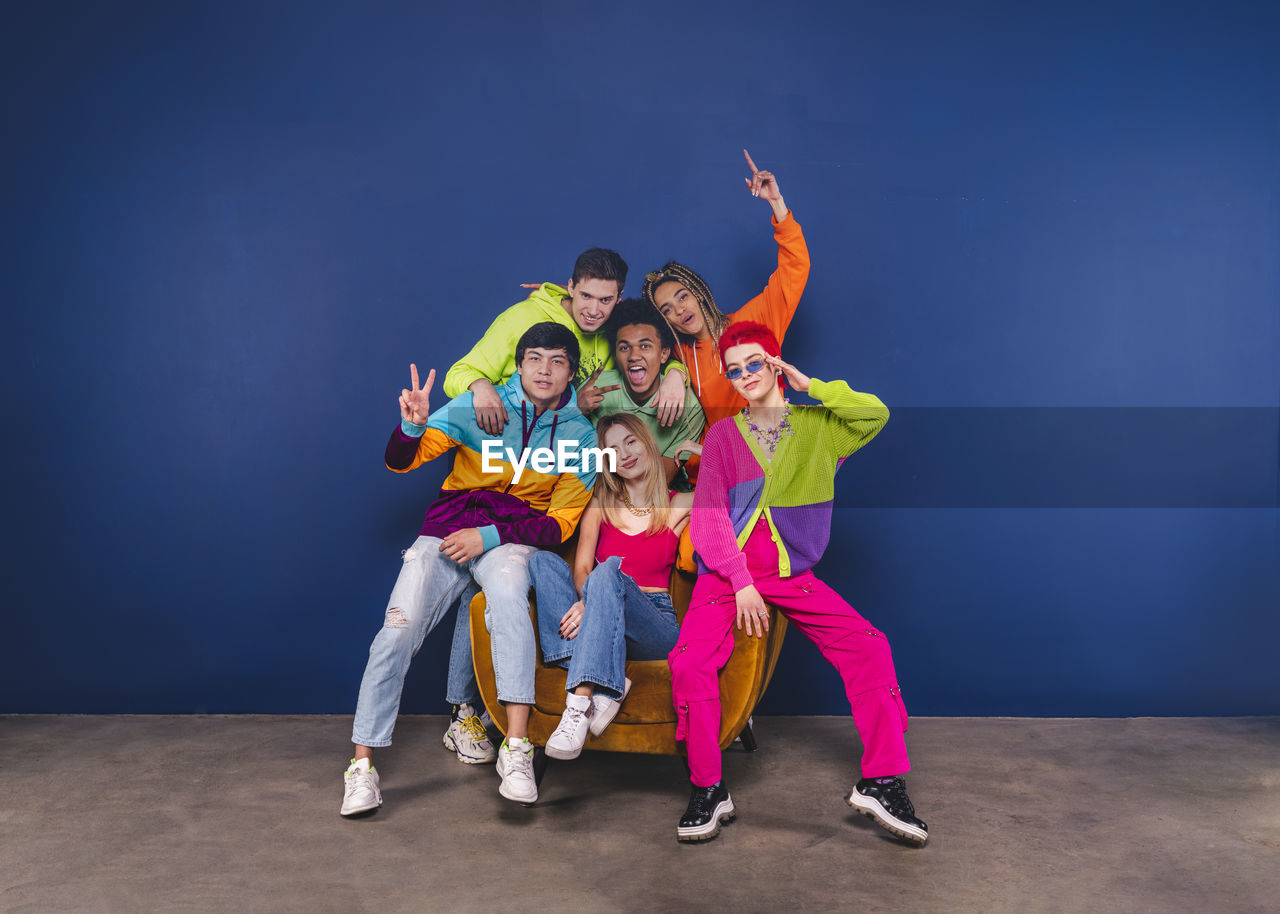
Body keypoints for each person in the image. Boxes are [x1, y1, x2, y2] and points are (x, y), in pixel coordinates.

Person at [668, 321, 928, 846]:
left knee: (870, 648)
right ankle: (709, 788)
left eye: (754, 364)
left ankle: (882, 779)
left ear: (775, 364)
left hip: (791, 574)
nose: (744, 375)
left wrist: (815, 388)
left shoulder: (818, 429)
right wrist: (740, 580)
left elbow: (875, 414)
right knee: (690, 661)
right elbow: (710, 520)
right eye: (734, 369)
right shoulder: (722, 436)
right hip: (726, 574)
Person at [341, 322, 598, 816]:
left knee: (505, 596)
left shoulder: (580, 435)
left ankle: (516, 751)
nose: (545, 370)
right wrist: (412, 426)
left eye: (558, 361)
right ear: (519, 365)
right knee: (396, 630)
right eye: (535, 358)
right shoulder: (480, 407)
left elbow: (560, 526)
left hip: (510, 540)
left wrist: (492, 536)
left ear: (571, 373)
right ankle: (362, 769)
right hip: (447, 532)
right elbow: (401, 462)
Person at [527, 414, 694, 760]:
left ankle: (579, 705)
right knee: (543, 562)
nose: (625, 454)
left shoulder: (678, 504)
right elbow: (583, 567)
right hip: (602, 622)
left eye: (631, 442)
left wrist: (703, 453)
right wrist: (594, 603)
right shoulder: (601, 504)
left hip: (653, 624)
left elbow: (746, 489)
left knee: (609, 572)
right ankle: (608, 675)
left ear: (647, 443)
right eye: (613, 450)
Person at [641, 150, 810, 428]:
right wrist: (674, 372)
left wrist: (777, 203)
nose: (679, 310)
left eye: (682, 296)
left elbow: (796, 268)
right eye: (667, 309)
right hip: (727, 463)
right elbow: (618, 321)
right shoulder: (678, 354)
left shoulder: (753, 321)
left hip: (775, 450)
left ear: (699, 293)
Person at [443, 248, 688, 435]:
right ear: (570, 287)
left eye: (605, 300)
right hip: (511, 443)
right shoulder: (523, 317)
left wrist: (677, 375)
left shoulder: (615, 328)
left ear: (619, 298)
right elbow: (457, 374)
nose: (593, 310)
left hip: (575, 454)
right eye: (586, 296)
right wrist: (480, 386)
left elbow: (654, 357)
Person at [593, 298, 706, 484]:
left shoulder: (689, 408)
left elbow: (656, 485)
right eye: (624, 348)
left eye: (645, 346)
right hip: (606, 494)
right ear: (615, 355)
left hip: (658, 498)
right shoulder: (598, 391)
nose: (634, 356)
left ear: (664, 354)